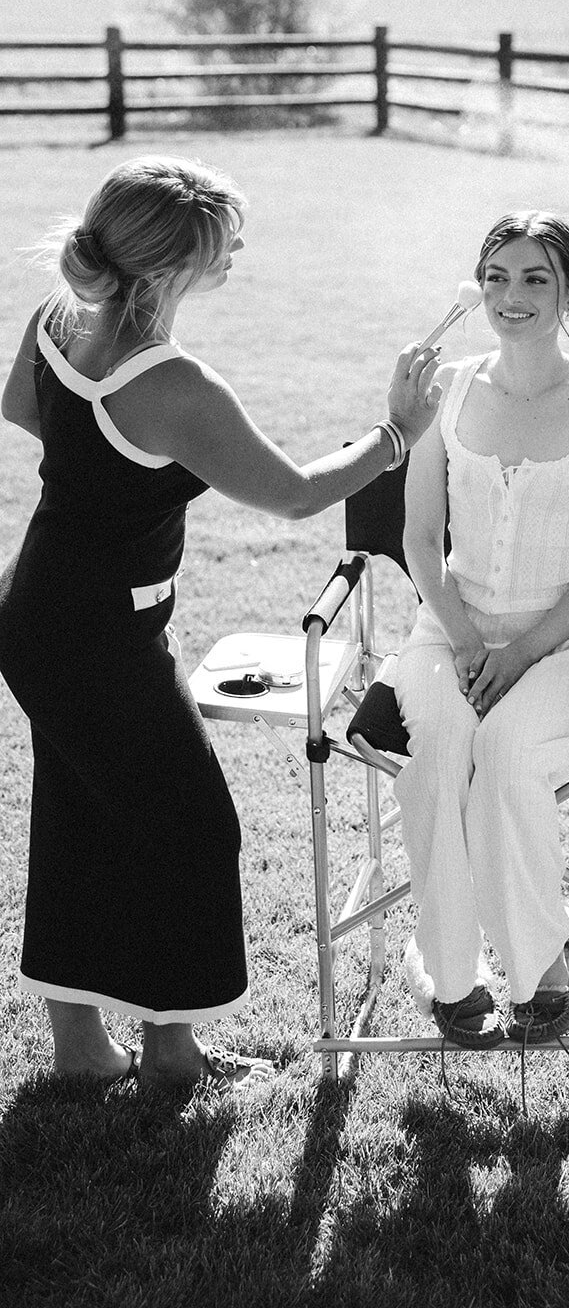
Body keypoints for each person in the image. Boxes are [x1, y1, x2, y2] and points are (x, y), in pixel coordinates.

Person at [0, 155, 439, 1089]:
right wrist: (397, 431)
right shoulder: (174, 383)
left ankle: (83, 1050)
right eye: (221, 239)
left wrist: (115, 479)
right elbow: (293, 494)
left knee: (77, 815)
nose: (238, 247)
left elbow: (20, 408)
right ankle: (171, 1058)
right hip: (99, 636)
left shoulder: (58, 323)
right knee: (192, 829)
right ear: (167, 266)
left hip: (36, 611)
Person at [394, 211, 569, 1047]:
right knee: (437, 757)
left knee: (503, 761)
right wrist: (467, 640)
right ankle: (452, 975)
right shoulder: (448, 390)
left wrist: (523, 652)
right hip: (450, 630)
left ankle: (546, 963)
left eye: (536, 278)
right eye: (497, 276)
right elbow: (420, 539)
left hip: (566, 640)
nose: (512, 295)